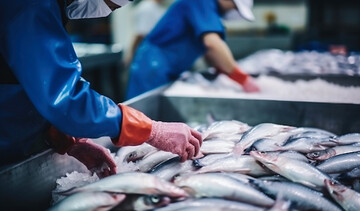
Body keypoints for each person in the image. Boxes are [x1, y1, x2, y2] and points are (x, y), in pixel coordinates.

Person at [0, 0, 202, 178]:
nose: (110, 9)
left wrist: (64, 138)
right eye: (112, 4)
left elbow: (31, 81)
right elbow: (67, 99)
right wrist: (152, 130)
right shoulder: (31, 4)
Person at [126, 0, 260, 100]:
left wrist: (222, 70)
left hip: (166, 68)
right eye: (234, 7)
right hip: (152, 65)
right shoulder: (203, 2)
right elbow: (212, 43)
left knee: (157, 119)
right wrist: (242, 78)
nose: (231, 11)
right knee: (142, 116)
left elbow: (210, 52)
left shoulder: (211, 10)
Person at [124, 0, 166, 66]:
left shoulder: (159, 8)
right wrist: (131, 55)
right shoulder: (147, 8)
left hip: (156, 55)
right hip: (147, 56)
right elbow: (140, 34)